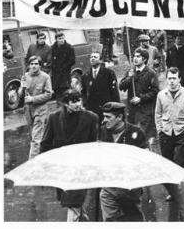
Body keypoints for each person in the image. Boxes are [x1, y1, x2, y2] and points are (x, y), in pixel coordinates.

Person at [40, 90, 99, 221]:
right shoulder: (54, 118)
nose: (78, 104)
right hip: (63, 168)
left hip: (83, 168)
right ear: (66, 104)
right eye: (74, 102)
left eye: (79, 100)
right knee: (76, 205)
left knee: (74, 204)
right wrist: (45, 166)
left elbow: (94, 144)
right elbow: (46, 143)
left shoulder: (91, 118)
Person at [99, 102, 147, 221]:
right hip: (109, 187)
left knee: (134, 221)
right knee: (111, 221)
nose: (104, 120)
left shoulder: (136, 132)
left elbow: (145, 160)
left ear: (120, 117)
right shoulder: (103, 131)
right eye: (104, 116)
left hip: (130, 188)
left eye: (108, 117)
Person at [155, 67, 184, 201]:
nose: (171, 81)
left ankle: (182, 189)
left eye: (174, 78)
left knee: (180, 161)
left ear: (179, 79)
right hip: (166, 132)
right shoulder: (161, 95)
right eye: (169, 78)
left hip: (182, 130)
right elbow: (158, 114)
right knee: (167, 163)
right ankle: (173, 191)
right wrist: (160, 130)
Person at [118, 48, 159, 144]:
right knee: (131, 137)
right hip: (132, 111)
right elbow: (121, 86)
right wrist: (129, 78)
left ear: (144, 59)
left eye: (138, 57)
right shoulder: (130, 72)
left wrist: (141, 99)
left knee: (142, 137)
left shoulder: (150, 73)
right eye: (133, 56)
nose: (134, 59)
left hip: (145, 111)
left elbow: (155, 91)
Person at [21, 55, 53, 159]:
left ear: (40, 65)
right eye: (32, 64)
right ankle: (43, 157)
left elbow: (49, 94)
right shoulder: (25, 76)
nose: (34, 66)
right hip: (28, 110)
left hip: (40, 110)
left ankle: (31, 163)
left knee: (36, 138)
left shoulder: (45, 77)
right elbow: (22, 94)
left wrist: (33, 99)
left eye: (36, 64)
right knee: (33, 136)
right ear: (29, 65)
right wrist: (21, 89)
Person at [81, 51, 120, 122]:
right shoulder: (85, 76)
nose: (92, 59)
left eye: (95, 57)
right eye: (91, 57)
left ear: (100, 60)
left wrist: (117, 108)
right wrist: (85, 105)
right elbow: (83, 93)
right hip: (92, 109)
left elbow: (114, 92)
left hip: (106, 108)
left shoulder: (108, 73)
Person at [50, 32, 76, 100]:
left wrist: (64, 66)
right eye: (59, 39)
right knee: (57, 93)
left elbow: (72, 60)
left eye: (62, 38)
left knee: (66, 92)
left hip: (65, 73)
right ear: (56, 40)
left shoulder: (69, 47)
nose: (62, 40)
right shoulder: (53, 48)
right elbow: (51, 59)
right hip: (56, 74)